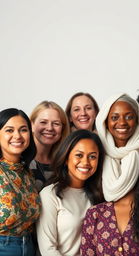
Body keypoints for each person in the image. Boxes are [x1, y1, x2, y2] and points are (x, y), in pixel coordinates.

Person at [80, 93, 139, 255]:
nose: (122, 123)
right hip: (99, 227)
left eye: (129, 116)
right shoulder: (97, 151)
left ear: (138, 120)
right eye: (114, 117)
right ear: (105, 121)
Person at [36, 129, 105, 256]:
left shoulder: (100, 195)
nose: (85, 162)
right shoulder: (50, 194)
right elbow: (48, 250)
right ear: (66, 158)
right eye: (79, 155)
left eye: (92, 156)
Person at [0, 108, 40, 256]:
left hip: (28, 247)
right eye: (9, 130)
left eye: (23, 130)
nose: (17, 136)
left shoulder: (27, 172)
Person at [30, 101, 70, 191]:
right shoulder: (21, 160)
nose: (49, 128)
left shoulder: (64, 162)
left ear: (63, 128)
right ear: (31, 125)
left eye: (56, 123)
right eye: (43, 122)